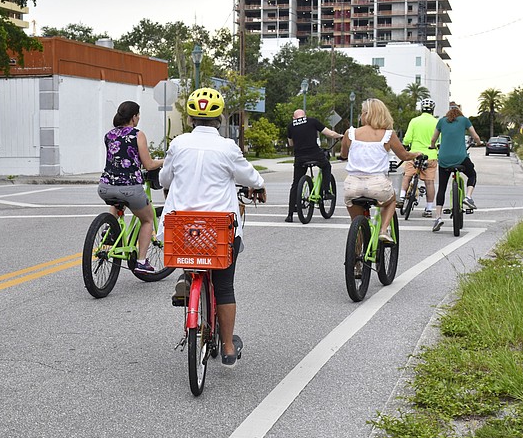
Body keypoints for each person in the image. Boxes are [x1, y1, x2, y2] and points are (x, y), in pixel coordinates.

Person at [159, 88, 266, 367]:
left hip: (181, 229)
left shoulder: (178, 144)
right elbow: (250, 177)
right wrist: (259, 187)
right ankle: (229, 347)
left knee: (186, 247)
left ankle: (187, 278)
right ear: (219, 117)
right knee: (224, 286)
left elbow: (164, 177)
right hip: (217, 231)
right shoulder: (228, 147)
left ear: (191, 117)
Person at [340, 98, 420, 245]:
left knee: (356, 226)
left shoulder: (350, 133)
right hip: (377, 185)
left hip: (352, 185)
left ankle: (356, 263)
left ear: (366, 114)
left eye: (362, 113)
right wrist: (416, 154)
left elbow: (343, 155)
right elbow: (404, 155)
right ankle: (383, 231)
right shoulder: (388, 135)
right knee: (391, 201)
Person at [98, 101, 164, 273]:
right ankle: (141, 261)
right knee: (148, 219)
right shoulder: (137, 135)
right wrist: (166, 161)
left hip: (105, 187)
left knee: (118, 195)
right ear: (133, 117)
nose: (139, 117)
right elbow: (148, 165)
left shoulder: (109, 135)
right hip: (130, 188)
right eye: (138, 115)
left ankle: (109, 229)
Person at [428, 102, 483, 232]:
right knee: (472, 174)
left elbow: (433, 140)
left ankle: (438, 217)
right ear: (459, 113)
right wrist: (479, 142)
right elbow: (475, 136)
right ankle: (468, 197)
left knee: (442, 187)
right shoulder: (464, 120)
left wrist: (432, 146)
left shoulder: (441, 121)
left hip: (444, 159)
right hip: (460, 158)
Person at [285, 109, 343, 222]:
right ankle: (326, 191)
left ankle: (290, 214)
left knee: (296, 183)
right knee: (326, 166)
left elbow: (291, 143)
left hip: (300, 157)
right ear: (304, 116)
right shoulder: (312, 121)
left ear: (294, 118)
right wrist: (339, 136)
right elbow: (330, 133)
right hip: (315, 154)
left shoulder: (290, 126)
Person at [398, 98, 439, 217]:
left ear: (421, 108)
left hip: (414, 155)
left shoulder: (414, 121)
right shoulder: (437, 122)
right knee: (429, 183)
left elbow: (407, 138)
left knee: (407, 176)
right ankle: (429, 209)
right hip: (430, 156)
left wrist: (405, 145)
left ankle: (401, 197)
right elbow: (439, 140)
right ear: (432, 110)